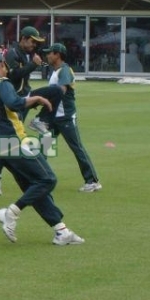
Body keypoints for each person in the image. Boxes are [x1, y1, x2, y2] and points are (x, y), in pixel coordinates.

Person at [0, 51, 85, 245]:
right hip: (14, 141)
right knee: (47, 179)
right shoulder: (2, 83)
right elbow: (14, 102)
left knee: (33, 186)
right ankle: (10, 213)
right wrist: (36, 99)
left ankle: (61, 231)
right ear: (2, 64)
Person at [0, 27, 63, 194]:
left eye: (36, 42)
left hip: (26, 95)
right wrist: (32, 65)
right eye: (32, 41)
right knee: (10, 140)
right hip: (13, 101)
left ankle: (40, 120)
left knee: (56, 91)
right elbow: (13, 75)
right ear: (23, 39)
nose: (34, 45)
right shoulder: (12, 53)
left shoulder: (25, 53)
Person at [29, 43, 101, 192]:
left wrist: (38, 95)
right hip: (54, 118)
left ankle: (93, 181)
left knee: (77, 148)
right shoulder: (55, 71)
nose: (47, 56)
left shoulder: (65, 70)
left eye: (50, 53)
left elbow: (60, 90)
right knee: (44, 147)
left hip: (65, 117)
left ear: (57, 55)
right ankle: (40, 179)